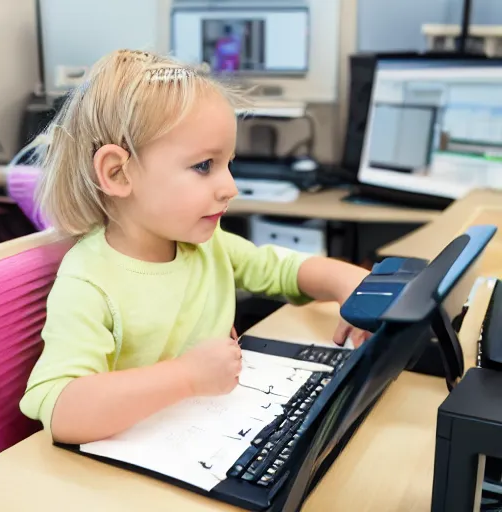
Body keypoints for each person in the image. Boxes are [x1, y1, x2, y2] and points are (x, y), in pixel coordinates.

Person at [19, 49, 370, 446]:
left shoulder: (204, 246)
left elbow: (281, 269)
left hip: (205, 438)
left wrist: (352, 285)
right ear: (118, 173)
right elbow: (62, 410)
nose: (230, 187)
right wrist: (186, 377)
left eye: (228, 164)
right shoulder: (88, 280)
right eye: (205, 165)